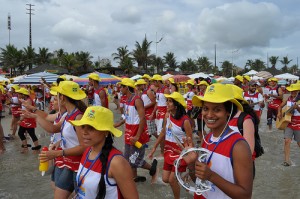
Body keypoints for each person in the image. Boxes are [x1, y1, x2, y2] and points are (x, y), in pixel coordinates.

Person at [184, 83, 253, 199]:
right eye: (205, 109)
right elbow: (200, 182)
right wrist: (191, 165)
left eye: (217, 110)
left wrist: (211, 176)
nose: (209, 115)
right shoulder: (206, 139)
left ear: (228, 111)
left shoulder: (239, 146)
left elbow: (245, 195)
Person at [27, 81, 87, 199]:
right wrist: (35, 116)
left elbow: (84, 147)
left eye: (57, 96)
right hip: (68, 162)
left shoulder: (78, 117)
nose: (55, 99)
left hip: (78, 165)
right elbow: (53, 128)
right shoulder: (69, 115)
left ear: (62, 97)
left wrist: (58, 152)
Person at [69, 106, 138, 199]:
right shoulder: (87, 151)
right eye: (83, 126)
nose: (84, 132)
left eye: (91, 127)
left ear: (106, 132)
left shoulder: (117, 162)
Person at [148, 92, 193, 199]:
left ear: (176, 105)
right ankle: (182, 178)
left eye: (170, 101)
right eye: (167, 100)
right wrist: (154, 147)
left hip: (179, 153)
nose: (167, 103)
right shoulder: (167, 115)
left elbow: (190, 141)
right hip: (169, 151)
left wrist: (190, 158)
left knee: (172, 180)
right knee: (165, 179)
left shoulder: (185, 121)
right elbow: (163, 132)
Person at [114, 78, 158, 183]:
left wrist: (137, 136)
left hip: (138, 133)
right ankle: (134, 177)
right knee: (127, 157)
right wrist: (119, 123)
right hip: (129, 132)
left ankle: (152, 168)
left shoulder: (137, 100)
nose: (120, 88)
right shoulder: (127, 100)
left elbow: (142, 118)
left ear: (127, 88)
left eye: (122, 86)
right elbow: (129, 116)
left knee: (134, 159)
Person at [277, 83, 300, 166]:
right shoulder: (288, 99)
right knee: (287, 141)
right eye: (291, 91)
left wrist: (297, 108)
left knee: (299, 143)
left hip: (298, 124)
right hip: (288, 123)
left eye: (295, 91)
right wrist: (279, 113)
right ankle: (287, 161)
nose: (293, 92)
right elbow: (280, 106)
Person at [16, 88, 40, 153]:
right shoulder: (25, 100)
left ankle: (37, 148)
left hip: (29, 119)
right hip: (25, 119)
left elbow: (28, 111)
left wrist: (21, 119)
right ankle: (25, 147)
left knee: (32, 134)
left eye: (19, 94)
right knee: (20, 133)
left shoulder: (28, 100)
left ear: (23, 94)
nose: (18, 95)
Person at [150, 74, 170, 156]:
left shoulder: (165, 90)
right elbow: (157, 103)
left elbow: (169, 102)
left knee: (162, 133)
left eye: (154, 81)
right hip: (159, 114)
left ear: (158, 81)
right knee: (160, 134)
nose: (153, 83)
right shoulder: (158, 90)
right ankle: (163, 150)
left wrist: (167, 113)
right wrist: (153, 112)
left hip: (164, 114)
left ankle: (164, 151)